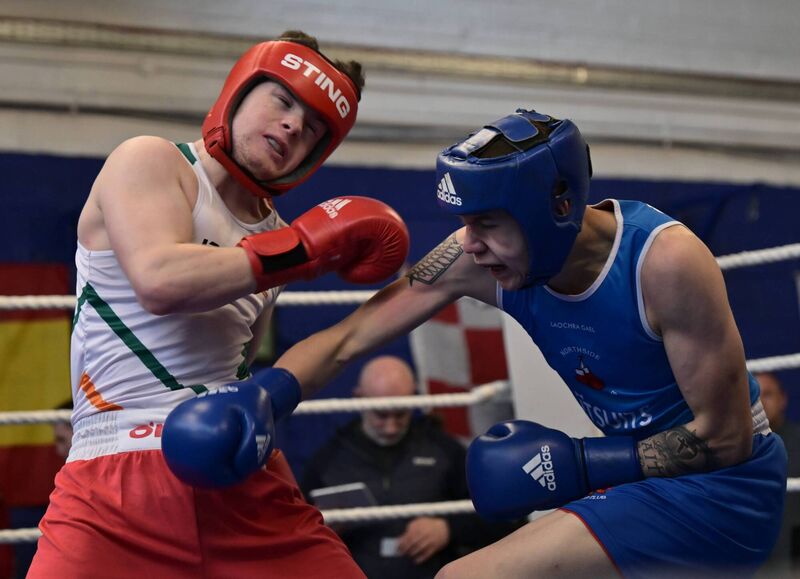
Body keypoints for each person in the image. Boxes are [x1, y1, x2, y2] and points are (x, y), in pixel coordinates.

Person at [166, 107, 788, 577]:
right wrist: (267, 395)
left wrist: (578, 465)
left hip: (723, 490)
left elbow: (726, 439)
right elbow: (350, 337)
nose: (469, 244)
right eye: (464, 223)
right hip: (636, 485)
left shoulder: (666, 263)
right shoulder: (477, 258)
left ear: (558, 209)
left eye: (487, 223)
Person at [27, 30, 410, 579]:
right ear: (239, 88)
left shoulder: (278, 238)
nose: (294, 125)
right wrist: (306, 249)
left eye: (316, 127)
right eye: (283, 101)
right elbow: (160, 280)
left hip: (241, 471)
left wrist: (298, 250)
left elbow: (237, 361)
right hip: (114, 478)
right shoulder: (153, 162)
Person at [302, 356, 521, 579]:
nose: (390, 427)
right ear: (359, 398)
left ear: (413, 399)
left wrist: (448, 528)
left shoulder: (443, 449)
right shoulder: (328, 458)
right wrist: (324, 529)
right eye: (381, 414)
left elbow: (504, 519)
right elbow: (296, 535)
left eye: (401, 413)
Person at [757, 372, 800, 575]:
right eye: (753, 395)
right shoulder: (732, 448)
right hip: (748, 560)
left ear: (782, 399)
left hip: (789, 562)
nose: (760, 402)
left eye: (767, 394)